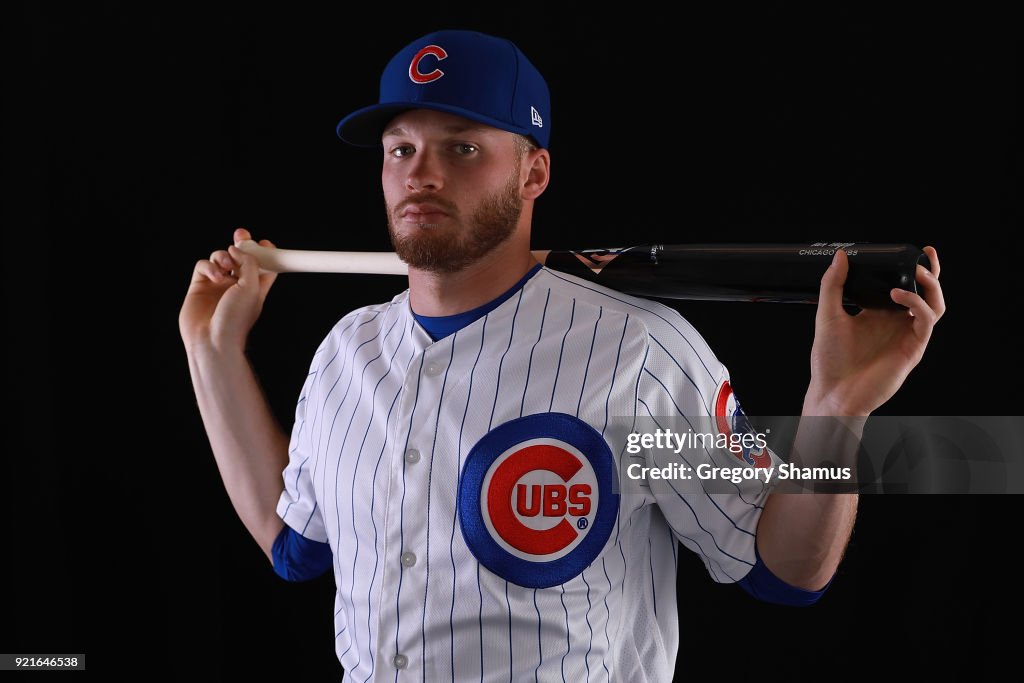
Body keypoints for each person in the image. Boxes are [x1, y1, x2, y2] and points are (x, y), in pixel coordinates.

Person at [179, 29, 945, 681]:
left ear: (533, 171)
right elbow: (295, 548)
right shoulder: (346, 351)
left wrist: (835, 411)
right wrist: (211, 350)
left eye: (464, 147)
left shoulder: (641, 351)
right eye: (400, 148)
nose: (422, 172)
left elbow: (784, 572)